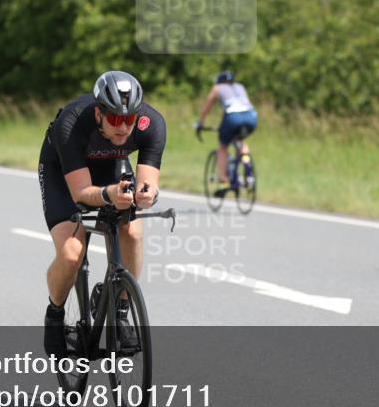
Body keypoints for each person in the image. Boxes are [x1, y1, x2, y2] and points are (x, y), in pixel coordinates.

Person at [38, 70, 166, 358]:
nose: (124, 127)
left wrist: (147, 194)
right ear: (99, 115)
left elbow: (150, 181)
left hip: (112, 166)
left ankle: (119, 309)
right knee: (72, 253)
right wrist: (109, 195)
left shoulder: (152, 124)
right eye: (116, 120)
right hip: (64, 172)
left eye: (130, 119)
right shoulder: (71, 124)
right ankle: (55, 314)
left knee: (131, 231)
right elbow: (81, 193)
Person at [194, 71, 257, 187]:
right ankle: (248, 171)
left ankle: (223, 179)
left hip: (233, 117)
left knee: (223, 147)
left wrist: (200, 123)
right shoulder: (240, 86)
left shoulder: (217, 88)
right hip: (251, 116)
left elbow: (207, 107)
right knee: (240, 141)